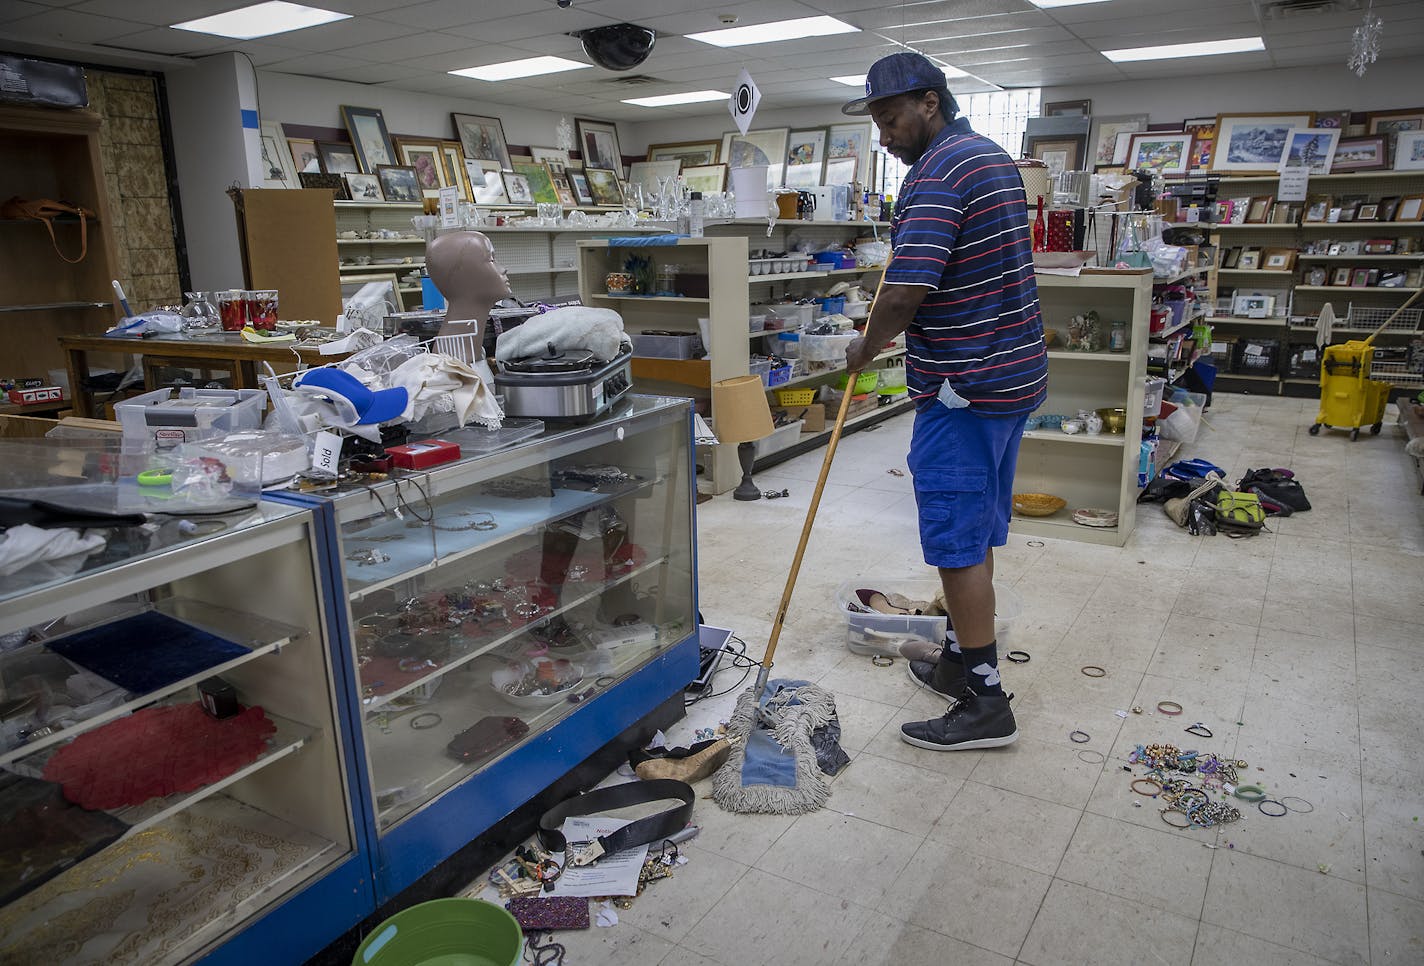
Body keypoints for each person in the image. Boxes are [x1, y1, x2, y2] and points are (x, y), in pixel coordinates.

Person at [842, 52, 1047, 751]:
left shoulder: (936, 175)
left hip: (964, 390)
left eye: (890, 118)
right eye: (876, 123)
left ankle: (987, 704)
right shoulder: (986, 156)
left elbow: (905, 292)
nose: (885, 135)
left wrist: (864, 347)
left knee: (957, 547)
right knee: (977, 533)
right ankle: (963, 662)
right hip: (1008, 379)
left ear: (930, 103)